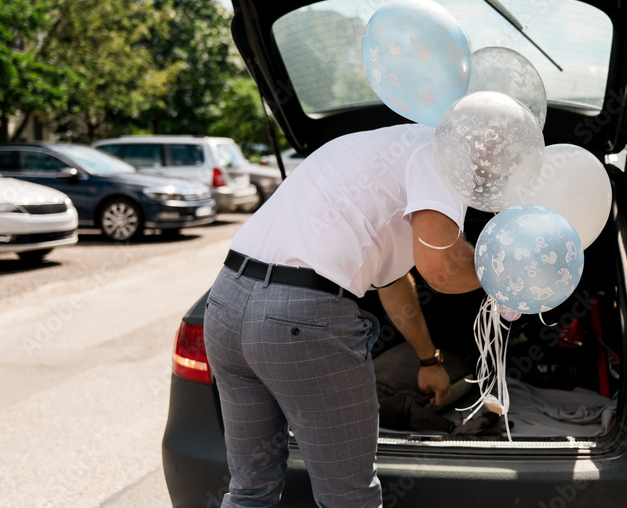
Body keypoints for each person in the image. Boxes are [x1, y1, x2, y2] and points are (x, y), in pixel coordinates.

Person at [203, 122, 482, 508]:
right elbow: (443, 268)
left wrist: (427, 359)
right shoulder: (445, 154)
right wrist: (502, 273)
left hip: (224, 303)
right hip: (301, 320)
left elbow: (395, 285)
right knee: (349, 499)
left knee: (250, 490)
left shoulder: (374, 146)